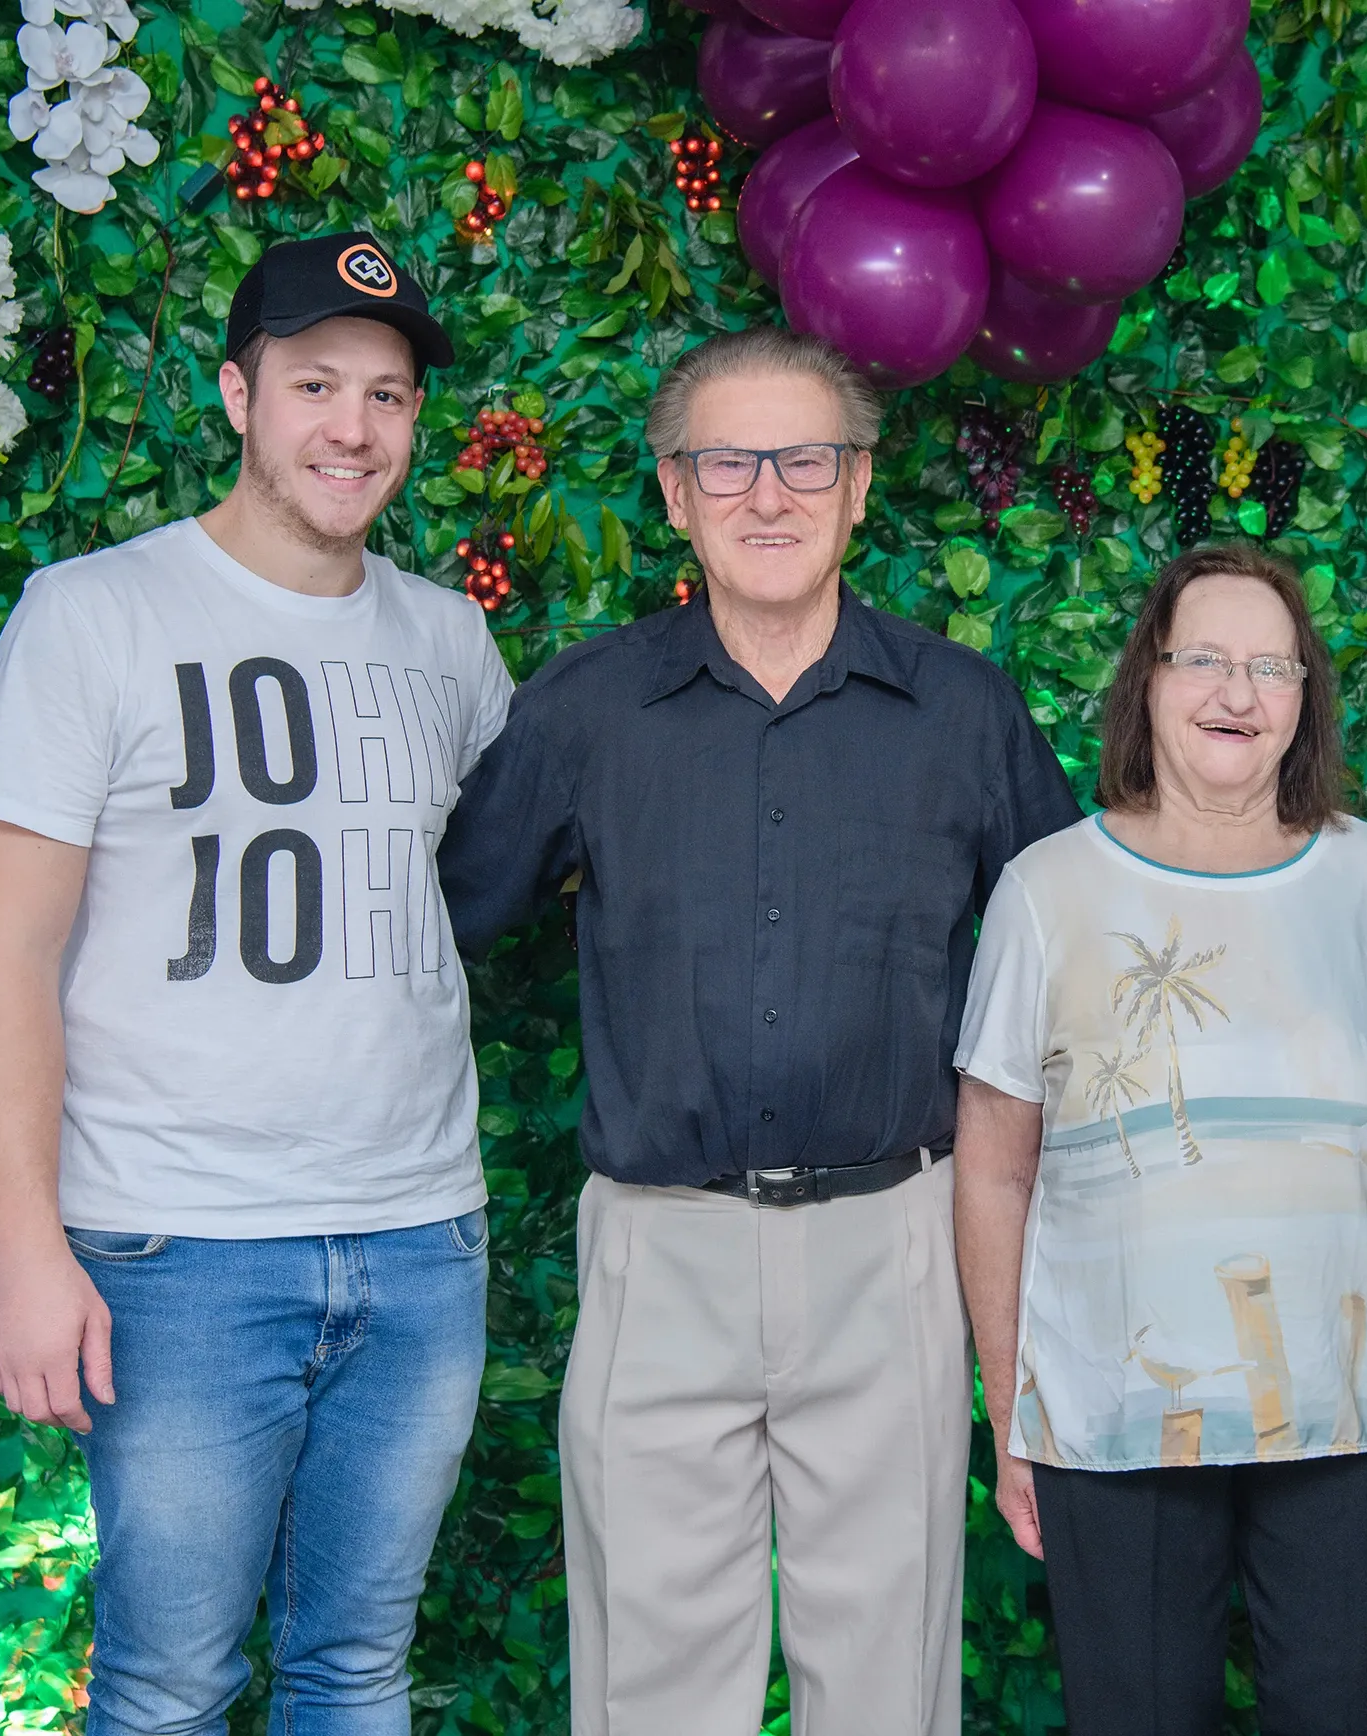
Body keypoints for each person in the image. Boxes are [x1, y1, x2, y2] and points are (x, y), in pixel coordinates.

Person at [434, 326, 1080, 1736]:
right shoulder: (586, 711)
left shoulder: (963, 710)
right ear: (674, 491)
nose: (766, 494)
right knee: (650, 1677)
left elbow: (1069, 977)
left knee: (885, 1666)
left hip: (891, 1245)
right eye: (727, 461)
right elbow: (440, 925)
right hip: (660, 1249)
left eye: (805, 459)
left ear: (859, 487)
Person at [0, 232, 509, 1734]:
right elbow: (4, 955)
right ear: (237, 395)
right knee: (167, 1684)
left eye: (386, 395)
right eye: (315, 384)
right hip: (176, 1250)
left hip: (417, 1243)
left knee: (355, 1671)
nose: (353, 426)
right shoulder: (95, 614)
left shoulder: (452, 643)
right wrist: (25, 1250)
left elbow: (525, 873)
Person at [953, 542, 1367, 1736]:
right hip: (1111, 1415)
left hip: (1347, 1418)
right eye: (1205, 660)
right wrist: (1011, 1404)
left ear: (1302, 697)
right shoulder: (1046, 889)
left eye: (1270, 667)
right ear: (1148, 681)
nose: (1238, 693)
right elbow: (992, 1161)